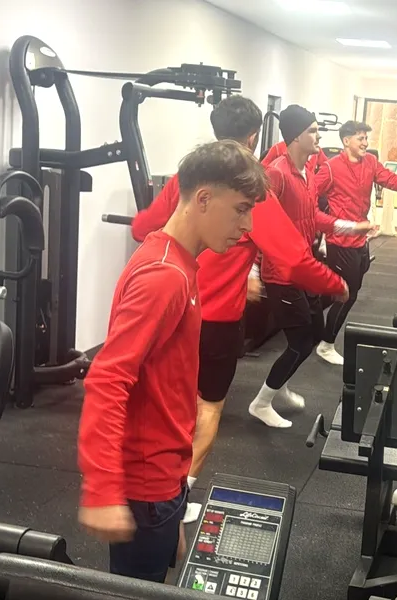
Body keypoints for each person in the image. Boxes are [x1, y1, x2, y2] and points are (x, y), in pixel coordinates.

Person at [129, 96, 348, 522]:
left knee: (169, 404)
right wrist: (335, 284)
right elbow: (293, 259)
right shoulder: (250, 188)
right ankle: (175, 498)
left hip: (173, 309)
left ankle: (152, 490)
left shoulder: (191, 177)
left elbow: (143, 227)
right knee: (208, 408)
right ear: (252, 137)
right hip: (215, 320)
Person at [77, 140, 269, 584]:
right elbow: (108, 380)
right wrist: (103, 489)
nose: (247, 226)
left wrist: (175, 499)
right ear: (203, 199)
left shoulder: (178, 262)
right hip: (147, 489)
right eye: (241, 210)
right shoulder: (165, 276)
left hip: (164, 483)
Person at [251, 105, 374, 427]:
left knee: (314, 333)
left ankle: (279, 383)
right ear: (295, 137)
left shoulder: (306, 171)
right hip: (282, 273)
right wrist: (252, 271)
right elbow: (258, 223)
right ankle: (261, 402)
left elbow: (312, 215)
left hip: (302, 267)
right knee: (301, 341)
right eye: (313, 131)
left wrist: (349, 226)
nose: (319, 137)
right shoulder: (277, 173)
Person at [313, 120, 397, 365]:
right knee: (347, 294)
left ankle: (314, 317)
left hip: (361, 238)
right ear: (346, 140)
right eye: (360, 138)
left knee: (351, 289)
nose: (365, 143)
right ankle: (326, 344)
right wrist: (332, 223)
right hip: (341, 241)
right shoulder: (330, 168)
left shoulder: (370, 162)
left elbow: (390, 180)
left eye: (366, 138)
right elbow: (309, 198)